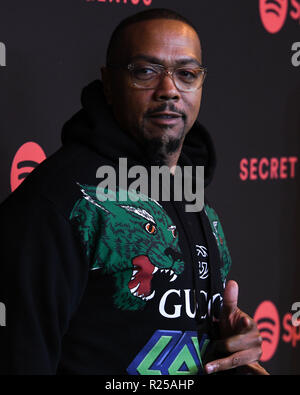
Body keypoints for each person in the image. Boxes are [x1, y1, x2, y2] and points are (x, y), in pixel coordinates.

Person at [0, 8, 267, 375]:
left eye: (186, 74)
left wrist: (233, 343)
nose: (169, 90)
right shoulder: (60, 202)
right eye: (145, 72)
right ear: (108, 84)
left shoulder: (195, 198)